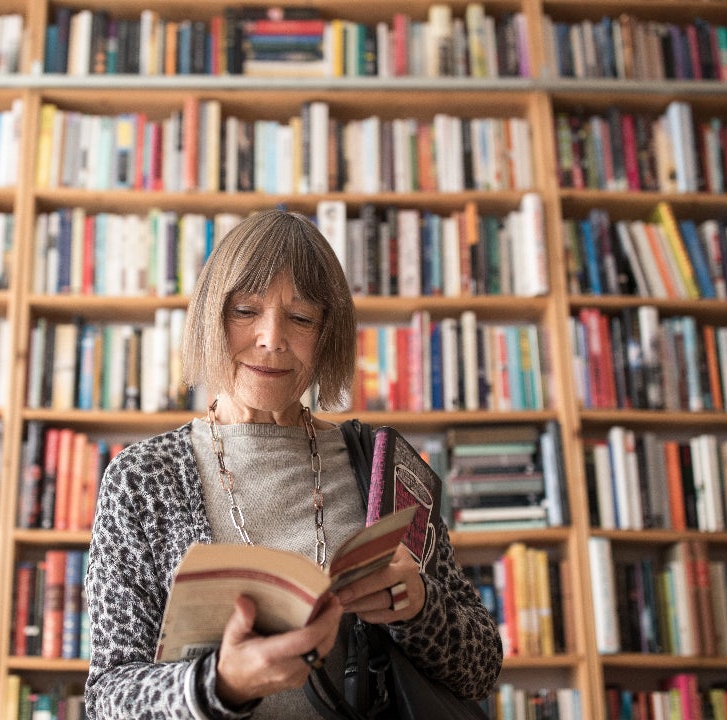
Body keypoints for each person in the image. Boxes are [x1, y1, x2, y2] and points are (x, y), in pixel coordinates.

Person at [84, 209, 503, 718]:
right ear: (210, 315)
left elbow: (482, 665)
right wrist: (218, 684)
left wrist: (419, 607)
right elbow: (107, 697)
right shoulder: (142, 479)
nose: (271, 338)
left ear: (327, 334)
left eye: (301, 318)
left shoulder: (381, 467)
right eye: (245, 311)